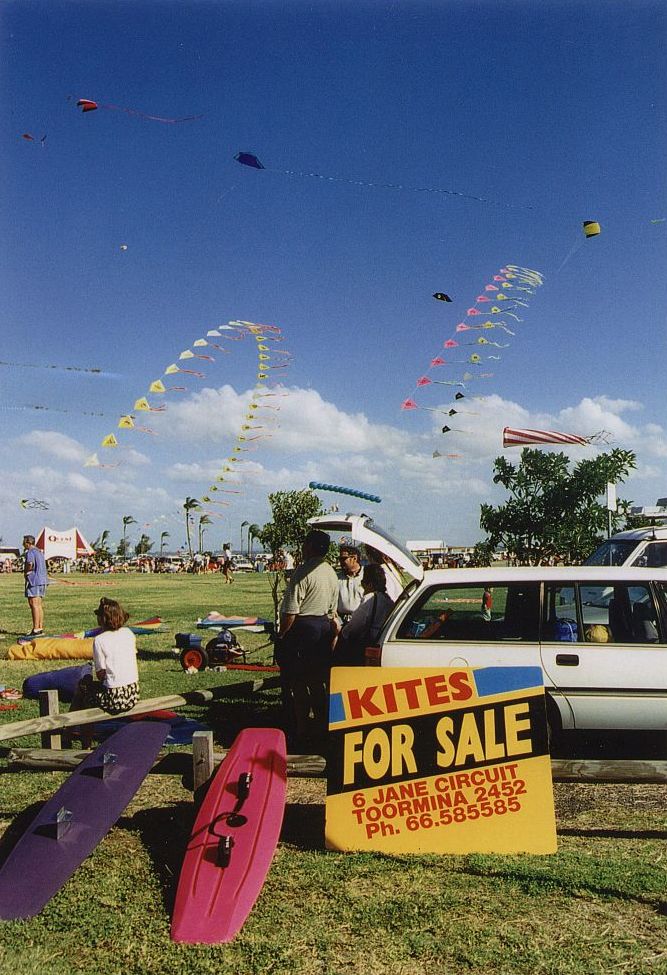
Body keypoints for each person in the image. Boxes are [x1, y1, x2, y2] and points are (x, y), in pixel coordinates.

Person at [277, 529, 338, 743]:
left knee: (299, 682)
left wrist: (282, 634)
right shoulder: (330, 572)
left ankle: (302, 728)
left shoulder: (302, 572)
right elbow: (332, 611)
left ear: (310, 547)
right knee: (317, 682)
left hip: (304, 628)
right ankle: (321, 724)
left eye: (305, 544)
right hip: (324, 625)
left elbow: (291, 612)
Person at [70, 598, 140, 718]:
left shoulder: (100, 640)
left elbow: (100, 674)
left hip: (114, 698)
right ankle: (73, 729)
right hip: (133, 693)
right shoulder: (128, 633)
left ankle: (71, 727)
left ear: (102, 619)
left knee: (83, 690)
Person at [333, 564, 395, 666]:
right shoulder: (389, 600)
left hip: (368, 644)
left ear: (370, 585)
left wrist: (343, 633)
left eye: (362, 583)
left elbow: (356, 624)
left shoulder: (370, 599)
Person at [22, 535, 47, 637]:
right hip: (42, 580)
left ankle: (36, 629)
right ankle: (40, 627)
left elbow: (30, 564)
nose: (23, 544)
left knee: (34, 604)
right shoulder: (39, 552)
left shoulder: (30, 552)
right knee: (39, 605)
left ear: (28, 543)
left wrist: (26, 572)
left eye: (24, 542)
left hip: (34, 580)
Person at [336, 544, 364, 624]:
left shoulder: (366, 576)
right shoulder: (337, 577)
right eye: (340, 559)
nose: (341, 562)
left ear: (354, 558)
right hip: (340, 621)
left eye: (343, 559)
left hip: (361, 622)